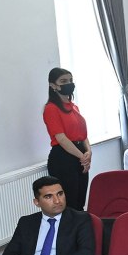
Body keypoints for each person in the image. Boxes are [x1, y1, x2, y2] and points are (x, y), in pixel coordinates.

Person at [42, 68, 90, 211]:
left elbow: (83, 135)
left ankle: (80, 226)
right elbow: (61, 138)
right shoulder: (51, 108)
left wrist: (88, 152)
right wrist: (82, 157)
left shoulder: (74, 107)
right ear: (53, 85)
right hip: (63, 158)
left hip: (80, 155)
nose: (68, 84)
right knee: (69, 203)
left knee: (80, 201)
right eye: (63, 81)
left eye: (70, 80)